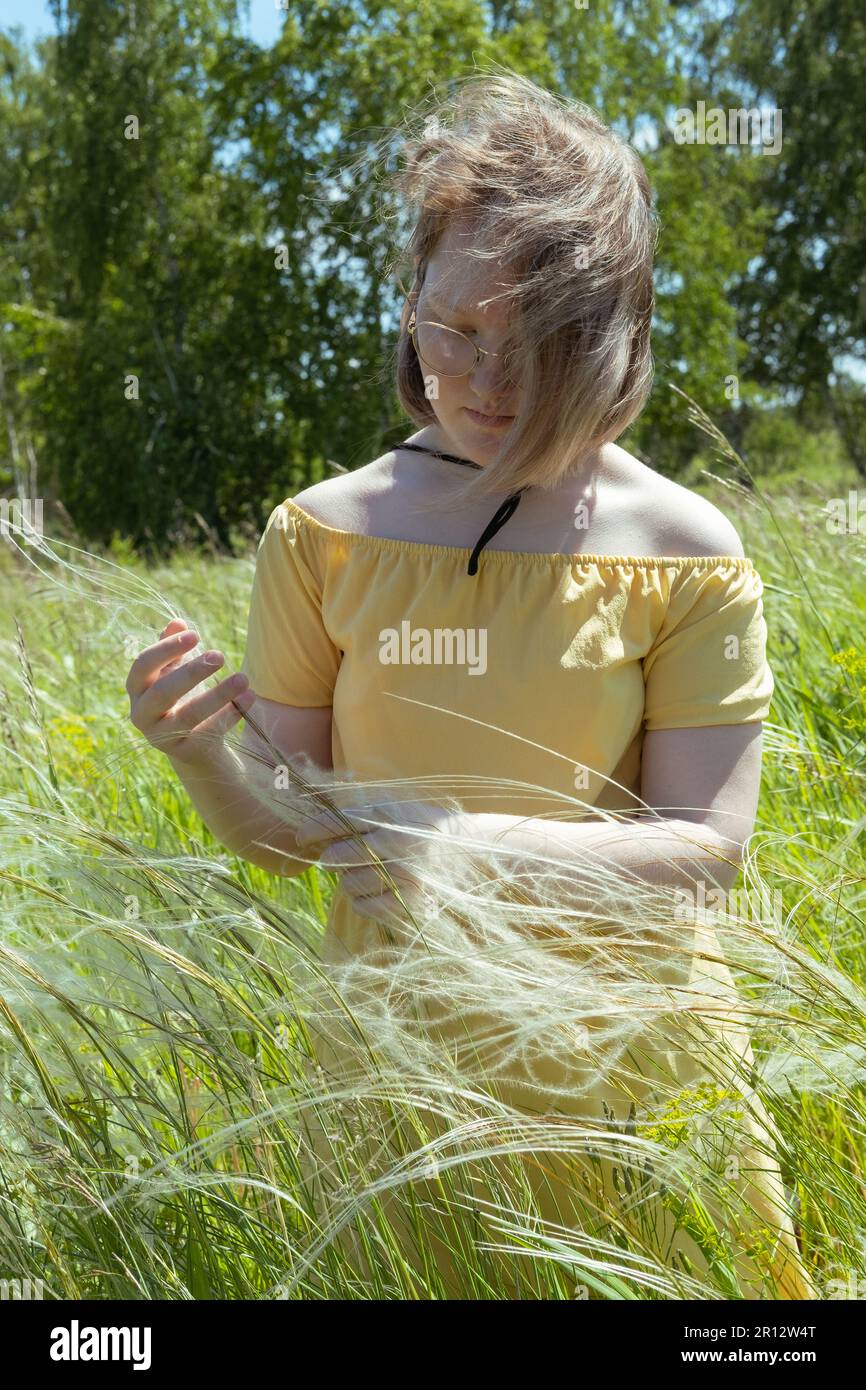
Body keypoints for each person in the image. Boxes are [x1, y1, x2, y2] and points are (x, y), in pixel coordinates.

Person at [126, 72, 813, 1299]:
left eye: (535, 341)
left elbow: (705, 848)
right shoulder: (324, 536)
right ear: (410, 308)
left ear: (613, 334)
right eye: (453, 329)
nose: (484, 377)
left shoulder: (683, 548)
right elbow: (294, 839)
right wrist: (194, 754)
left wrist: (449, 843)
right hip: (404, 1069)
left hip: (636, 1068)